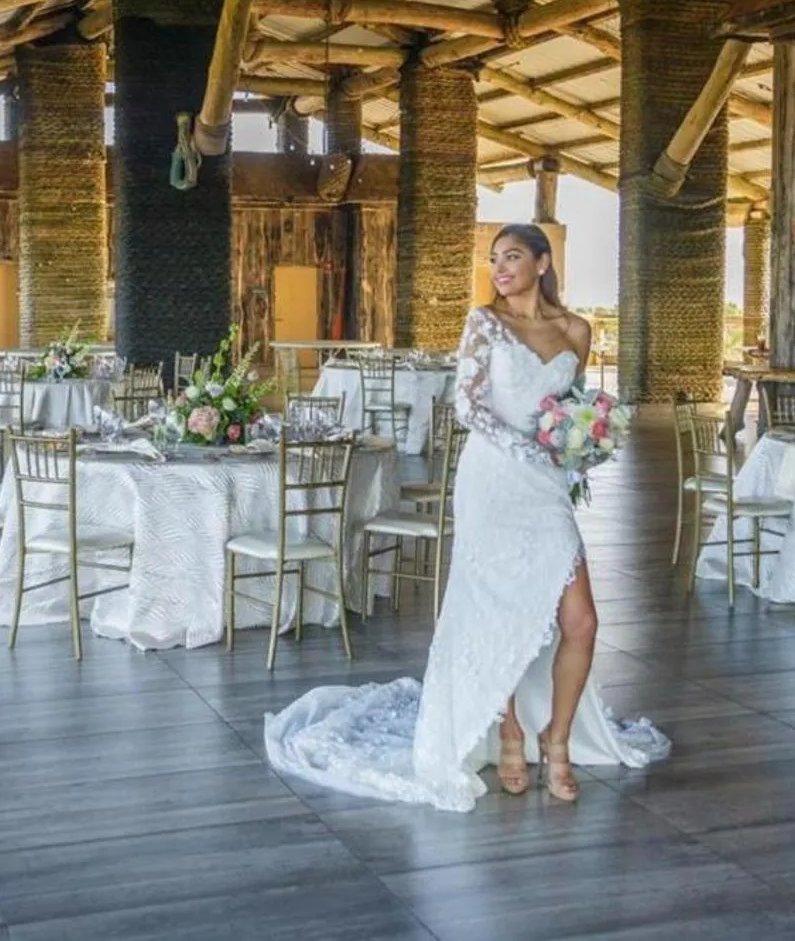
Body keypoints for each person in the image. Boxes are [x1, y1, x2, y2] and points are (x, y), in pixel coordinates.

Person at [264, 223, 668, 811]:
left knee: (581, 621)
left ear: (542, 261)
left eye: (512, 257)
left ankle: (556, 739)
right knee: (494, 611)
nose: (500, 269)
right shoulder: (485, 323)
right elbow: (469, 406)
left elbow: (570, 410)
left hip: (547, 489)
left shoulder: (577, 331)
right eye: (493, 259)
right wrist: (531, 448)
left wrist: (582, 444)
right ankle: (507, 730)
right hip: (491, 482)